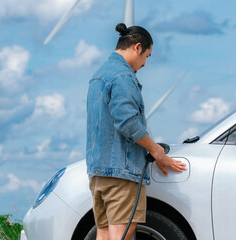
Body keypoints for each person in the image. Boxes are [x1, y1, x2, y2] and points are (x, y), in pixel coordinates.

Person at [86, 23, 187, 240]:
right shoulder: (122, 77)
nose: (144, 64)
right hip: (121, 173)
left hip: (97, 172)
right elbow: (127, 122)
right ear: (137, 47)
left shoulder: (99, 75)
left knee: (103, 233)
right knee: (121, 234)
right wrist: (156, 150)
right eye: (147, 56)